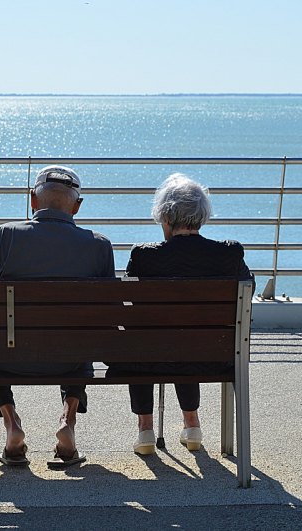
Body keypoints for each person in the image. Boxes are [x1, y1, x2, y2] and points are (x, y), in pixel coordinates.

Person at [0, 165, 115, 468]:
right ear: (77, 206)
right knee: (83, 342)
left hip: (9, 358)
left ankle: (12, 423)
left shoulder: (4, 236)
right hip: (69, 359)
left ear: (33, 200)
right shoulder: (99, 245)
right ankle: (67, 423)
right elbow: (109, 315)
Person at [108, 173, 253, 455]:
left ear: (165, 217)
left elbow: (128, 307)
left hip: (151, 359)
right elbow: (247, 295)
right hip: (214, 357)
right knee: (188, 339)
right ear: (202, 216)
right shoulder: (229, 253)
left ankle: (146, 429)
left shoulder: (144, 256)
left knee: (144, 342)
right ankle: (192, 424)